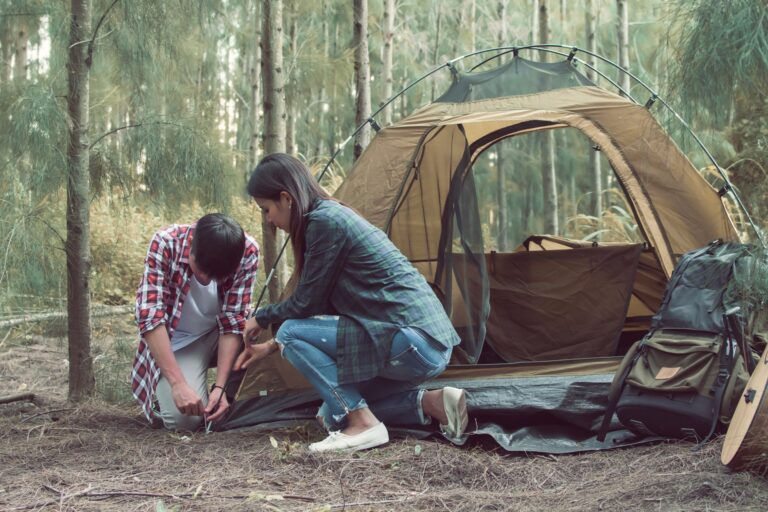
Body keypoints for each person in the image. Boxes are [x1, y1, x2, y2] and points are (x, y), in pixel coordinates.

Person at [235, 153, 468, 453]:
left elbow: (305, 305)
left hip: (412, 338)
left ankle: (365, 424)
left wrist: (262, 317)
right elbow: (320, 309)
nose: (269, 220)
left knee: (291, 332)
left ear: (286, 198)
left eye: (266, 209)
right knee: (331, 415)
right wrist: (268, 348)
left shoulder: (323, 221)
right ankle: (434, 402)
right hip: (427, 343)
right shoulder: (331, 215)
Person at [131, 213, 259, 431]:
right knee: (184, 421)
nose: (207, 280)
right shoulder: (165, 243)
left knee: (269, 334)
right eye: (201, 270)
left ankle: (230, 396)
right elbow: (150, 317)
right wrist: (178, 384)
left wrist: (220, 387)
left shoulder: (247, 251)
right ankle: (169, 391)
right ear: (191, 245)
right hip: (181, 341)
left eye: (216, 276)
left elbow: (233, 321)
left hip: (220, 335)